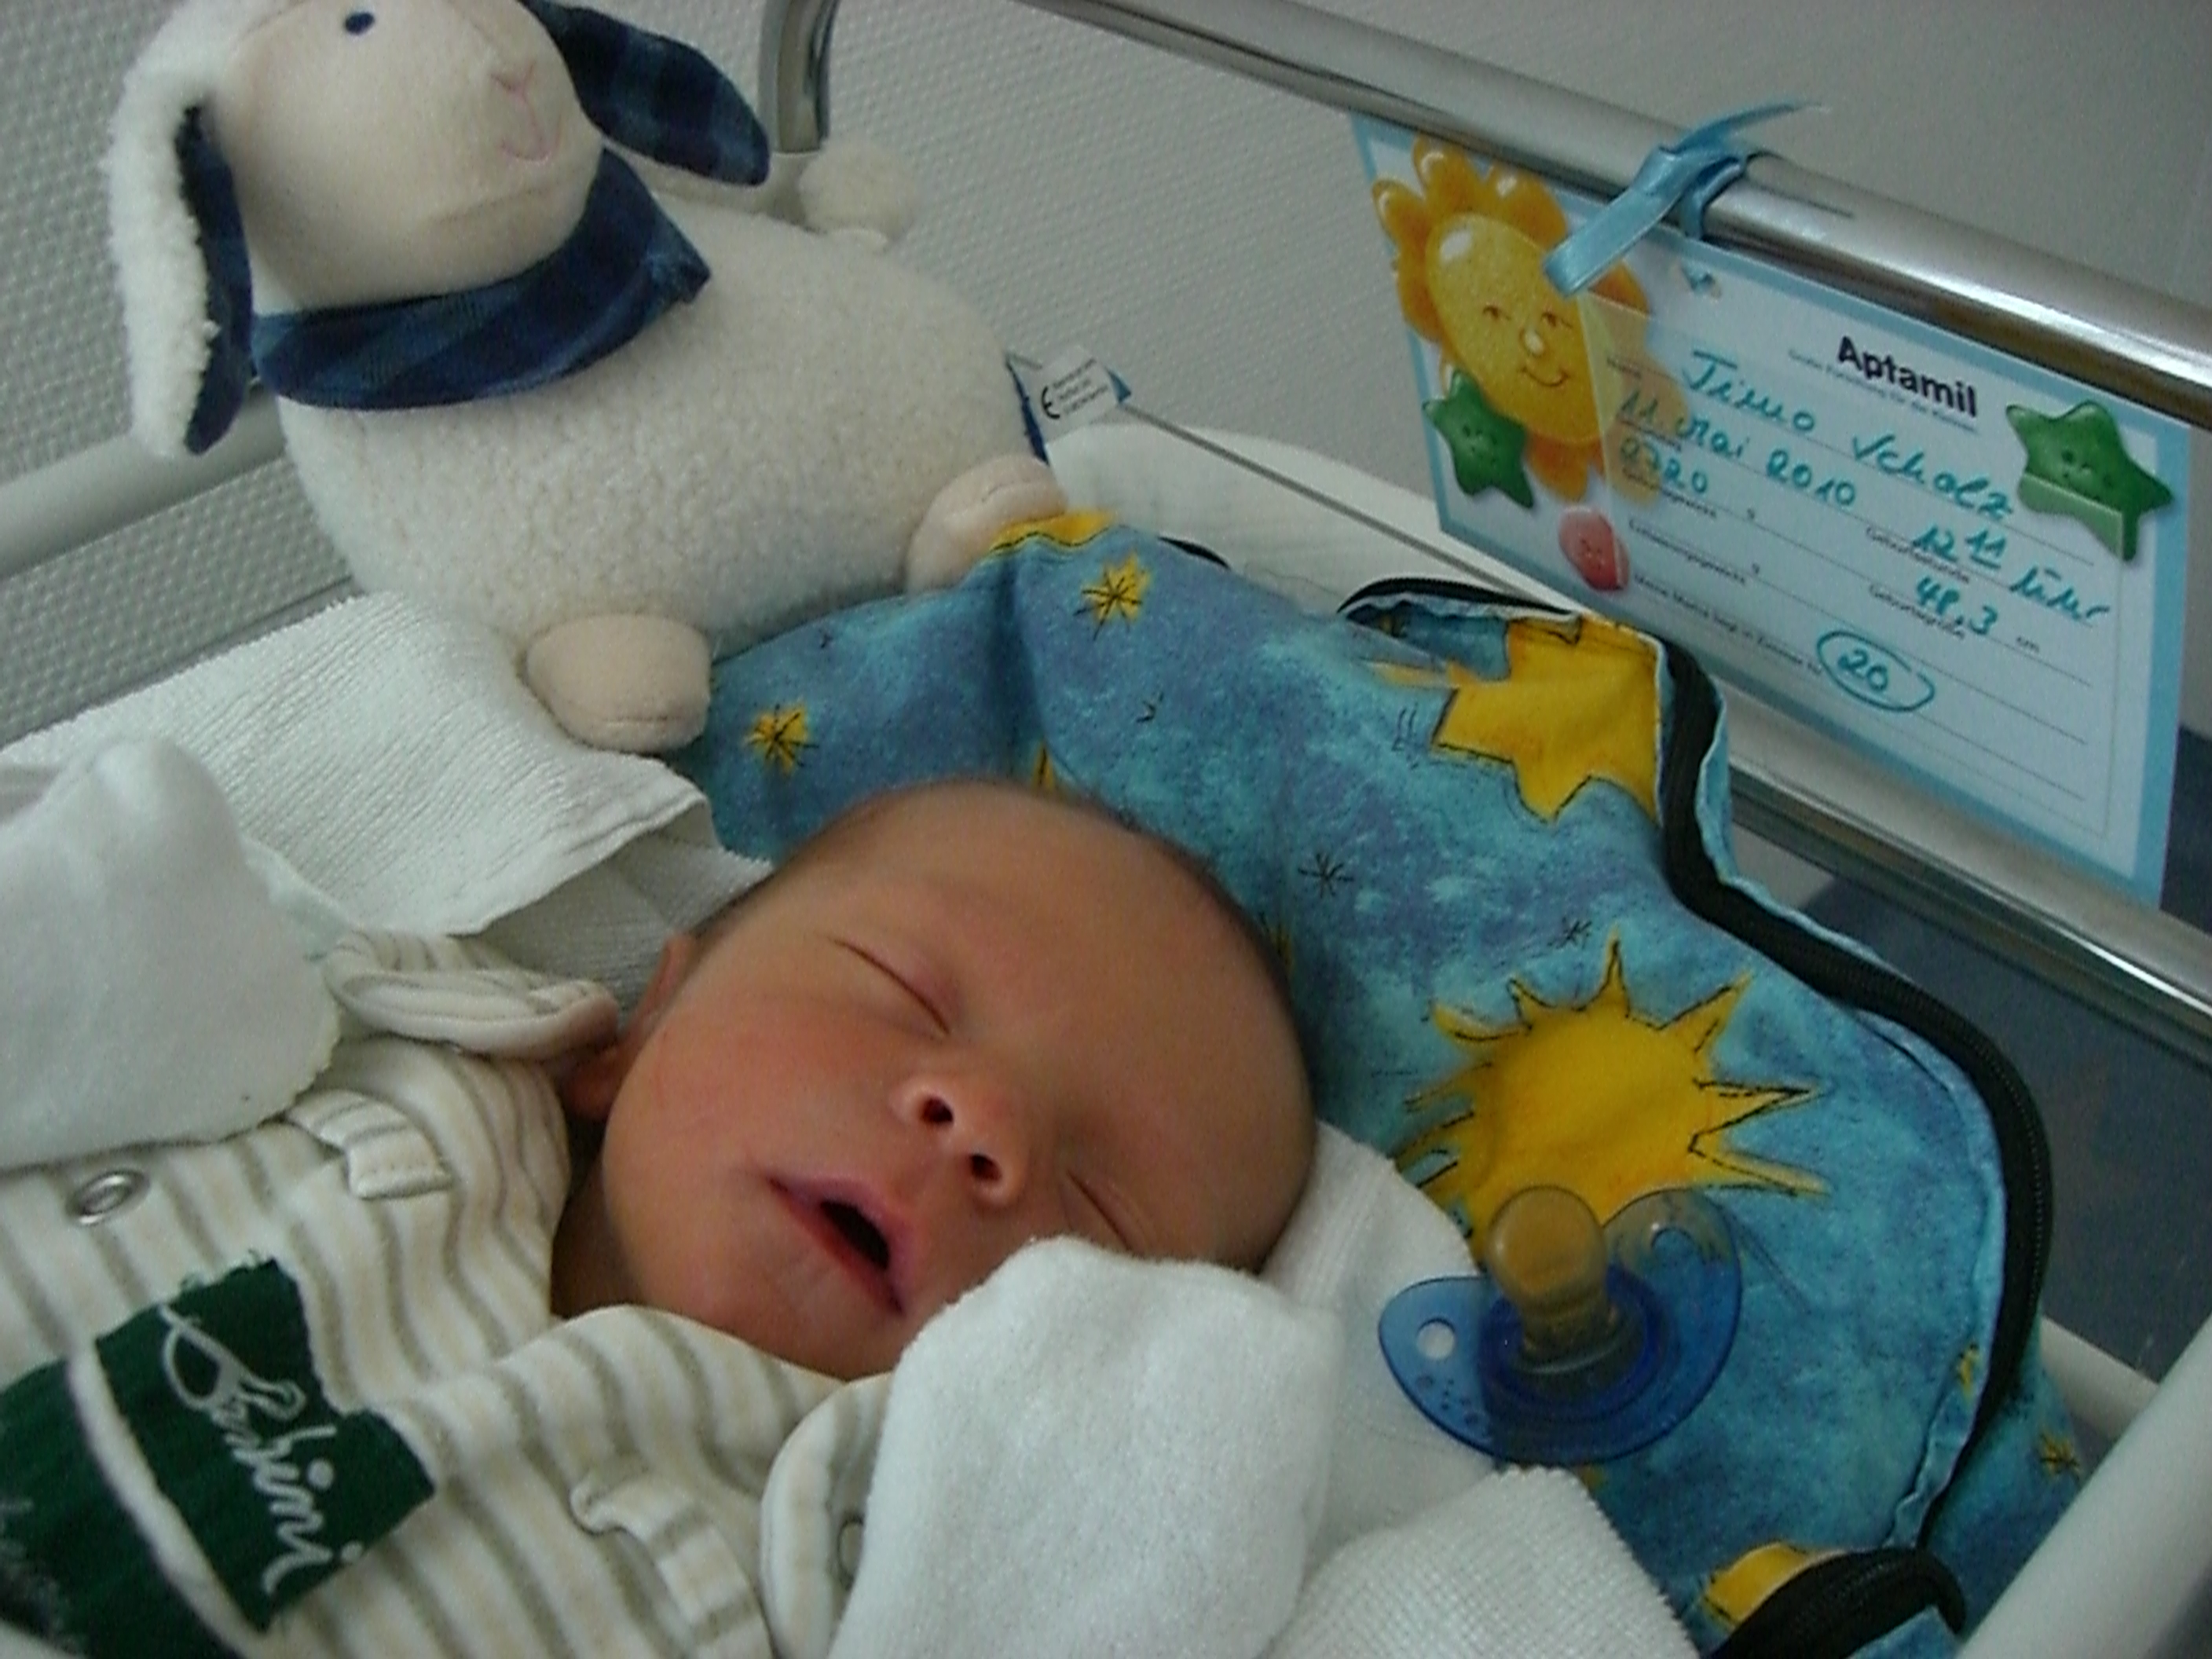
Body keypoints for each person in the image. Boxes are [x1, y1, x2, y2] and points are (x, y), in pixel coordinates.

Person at [0, 767, 1315, 1657]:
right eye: (904, 989)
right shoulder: (386, 1056)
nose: (984, 1120)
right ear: (645, 1022)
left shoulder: (864, 1575)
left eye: (1099, 1204)